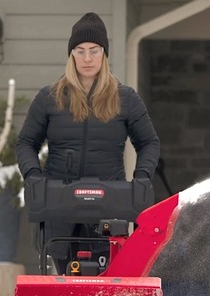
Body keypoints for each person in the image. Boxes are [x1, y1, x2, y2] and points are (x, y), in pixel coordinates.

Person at [16, 12, 160, 274]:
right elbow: (25, 143)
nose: (87, 58)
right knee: (66, 283)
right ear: (71, 54)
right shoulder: (50, 98)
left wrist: (141, 178)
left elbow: (149, 143)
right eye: (80, 51)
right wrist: (34, 177)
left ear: (104, 53)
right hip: (59, 206)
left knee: (105, 282)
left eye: (94, 50)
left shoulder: (125, 98)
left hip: (109, 208)